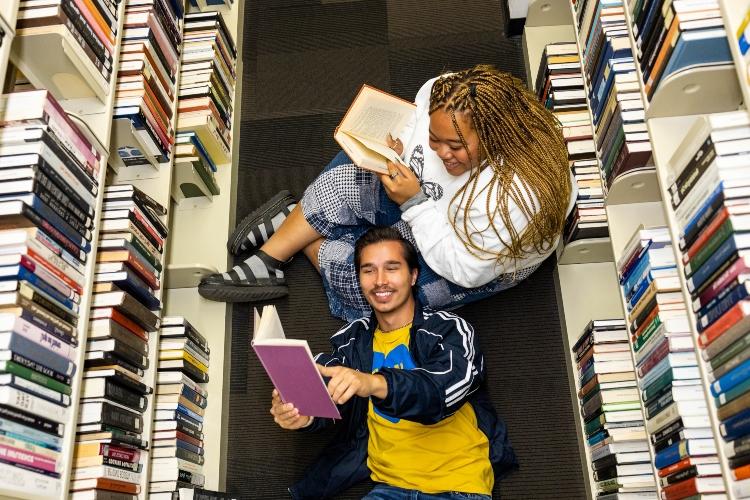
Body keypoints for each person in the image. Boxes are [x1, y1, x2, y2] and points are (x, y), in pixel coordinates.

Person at [199, 64, 575, 321]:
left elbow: (464, 269)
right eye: (434, 139)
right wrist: (401, 145)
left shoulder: (517, 199)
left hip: (468, 253)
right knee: (344, 178)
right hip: (430, 204)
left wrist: (413, 203)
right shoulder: (445, 91)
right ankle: (270, 260)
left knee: (377, 297)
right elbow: (415, 124)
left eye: (455, 148)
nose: (442, 153)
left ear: (496, 137)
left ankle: (299, 228)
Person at [270, 227, 517, 499]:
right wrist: (304, 413)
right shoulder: (351, 341)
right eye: (368, 270)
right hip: (388, 490)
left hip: (457, 486)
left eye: (392, 268)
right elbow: (328, 388)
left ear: (412, 276)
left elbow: (443, 391)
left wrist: (374, 382)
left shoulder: (450, 329)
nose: (380, 281)